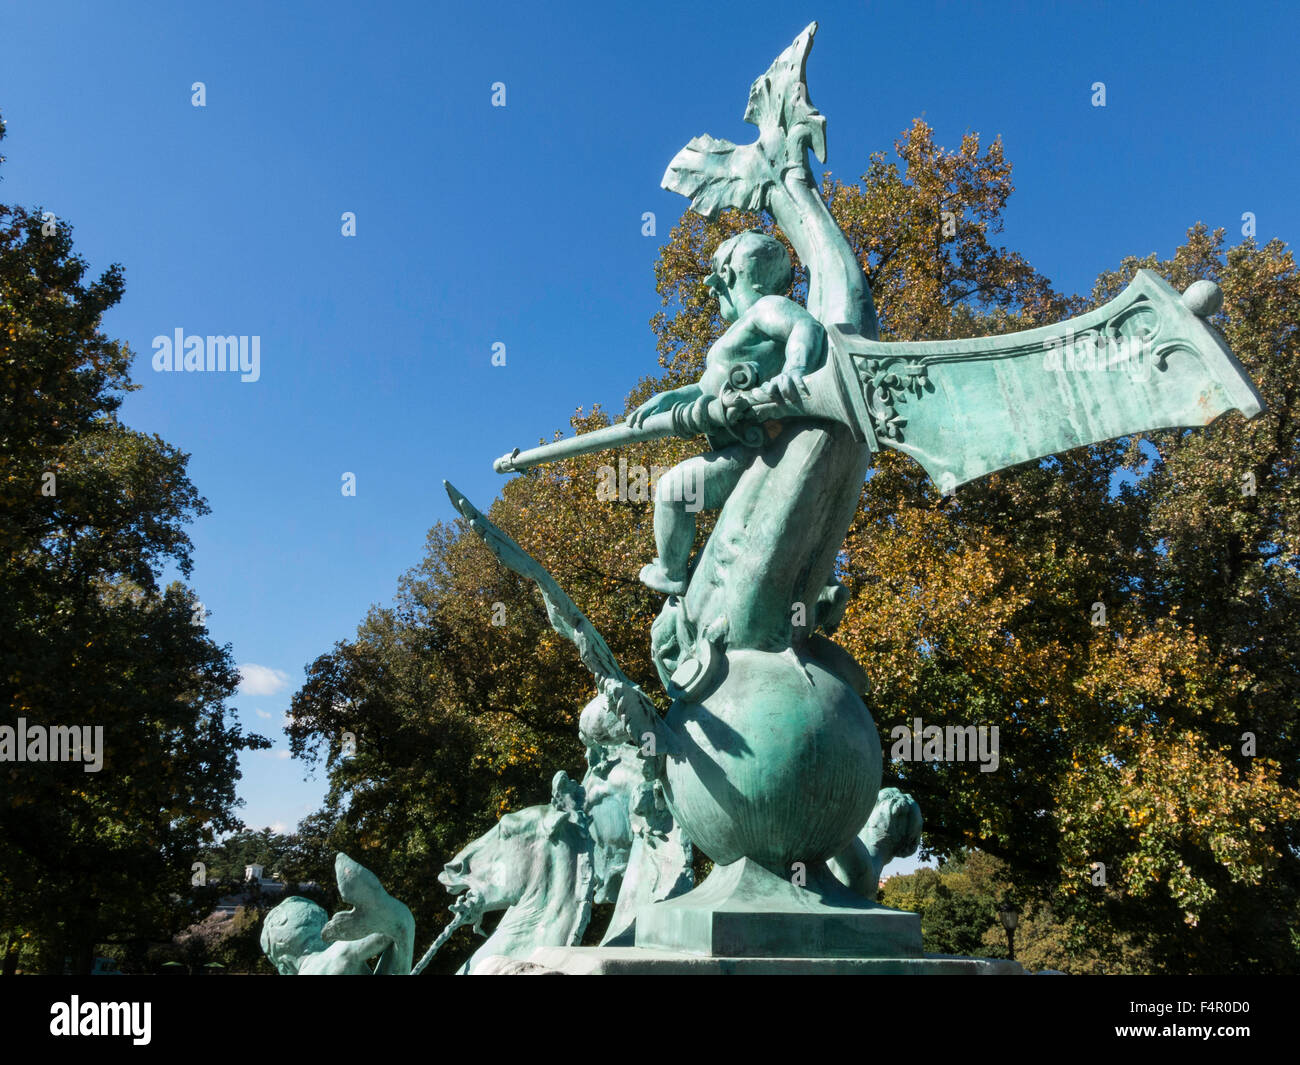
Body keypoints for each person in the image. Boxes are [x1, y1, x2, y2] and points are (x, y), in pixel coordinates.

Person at [627, 230, 826, 595]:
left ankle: (671, 574)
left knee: (673, 490)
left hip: (754, 450)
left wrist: (795, 369)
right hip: (745, 444)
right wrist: (669, 397)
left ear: (729, 278)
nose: (715, 292)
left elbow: (805, 326)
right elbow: (706, 389)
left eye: (717, 283)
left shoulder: (766, 308)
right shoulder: (742, 331)